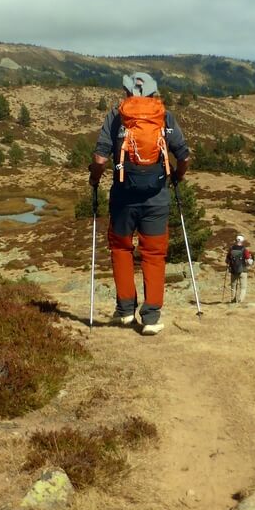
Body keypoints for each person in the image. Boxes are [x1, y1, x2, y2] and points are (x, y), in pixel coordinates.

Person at [87, 72, 190, 335]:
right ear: (153, 91)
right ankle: (151, 318)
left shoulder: (116, 116)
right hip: (157, 198)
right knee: (154, 255)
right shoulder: (164, 116)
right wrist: (177, 176)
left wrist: (94, 179)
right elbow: (184, 156)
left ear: (127, 91)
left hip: (123, 199)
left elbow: (100, 159)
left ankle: (124, 312)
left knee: (121, 249)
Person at [227, 235, 255, 303]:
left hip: (233, 270)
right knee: (243, 287)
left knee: (233, 287)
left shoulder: (231, 249)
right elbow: (249, 261)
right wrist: (252, 260)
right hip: (243, 270)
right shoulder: (244, 250)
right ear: (242, 241)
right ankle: (240, 300)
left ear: (236, 240)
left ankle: (233, 300)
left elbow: (227, 260)